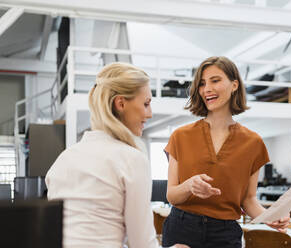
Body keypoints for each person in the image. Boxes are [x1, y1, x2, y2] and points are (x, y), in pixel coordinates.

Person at [46, 63, 188, 248]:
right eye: (145, 104)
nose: (150, 113)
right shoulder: (132, 159)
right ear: (120, 103)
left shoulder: (63, 159)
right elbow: (142, 244)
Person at [162, 56, 290, 248]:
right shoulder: (180, 136)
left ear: (234, 85)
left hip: (225, 235)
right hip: (182, 229)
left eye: (215, 81)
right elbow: (171, 195)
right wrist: (189, 186)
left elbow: (248, 200)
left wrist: (269, 217)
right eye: (202, 84)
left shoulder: (253, 143)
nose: (207, 89)